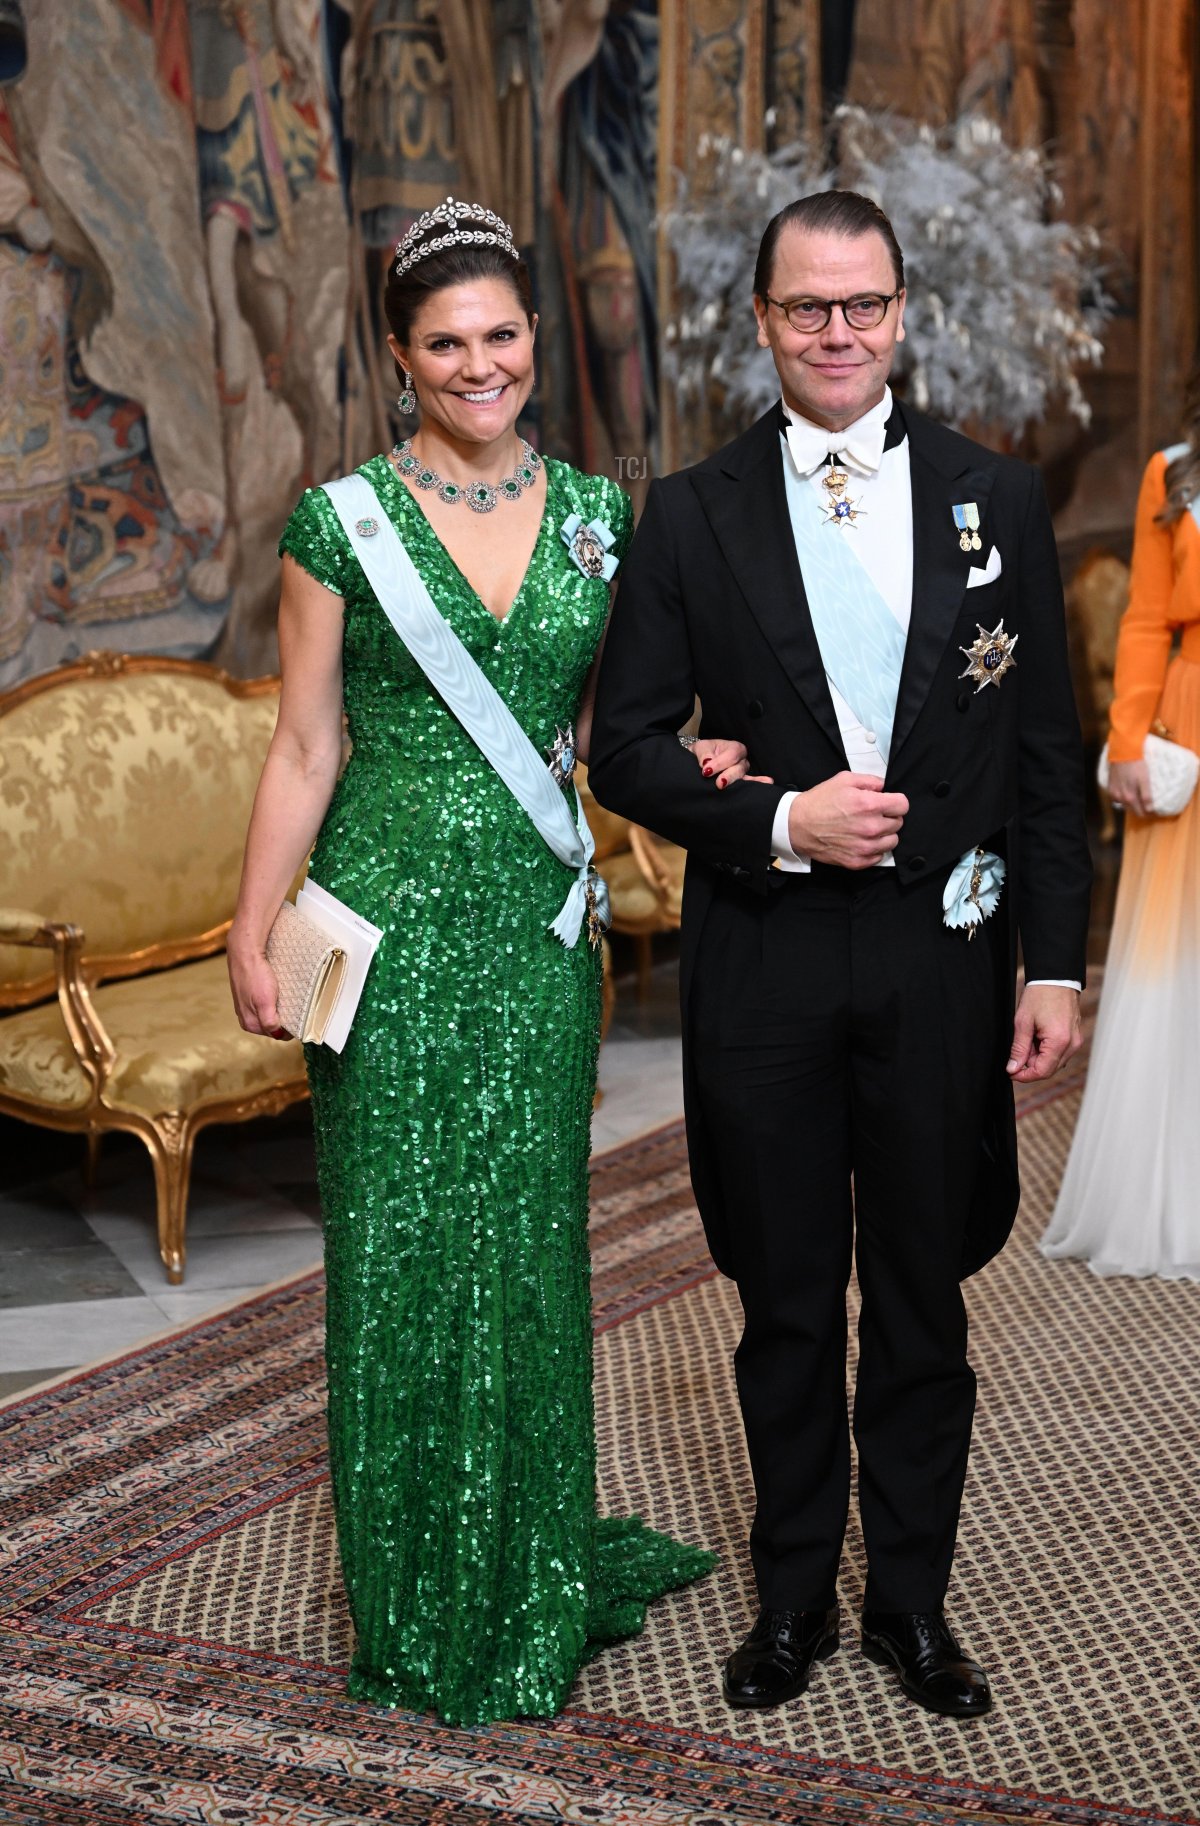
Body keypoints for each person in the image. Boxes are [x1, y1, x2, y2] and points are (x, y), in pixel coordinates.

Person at [227, 198, 740, 1726]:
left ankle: (523, 1567)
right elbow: (306, 741)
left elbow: (611, 728)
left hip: (532, 933)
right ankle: (413, 1586)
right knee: (394, 1246)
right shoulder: (340, 520)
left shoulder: (601, 512)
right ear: (401, 357)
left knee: (523, 1245)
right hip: (381, 929)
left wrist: (693, 755)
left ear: (535, 340)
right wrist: (254, 929)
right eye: (444, 342)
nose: (479, 364)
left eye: (501, 335)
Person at [588, 190, 1092, 1720]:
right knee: (788, 1293)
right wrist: (783, 815)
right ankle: (794, 1597)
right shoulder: (689, 508)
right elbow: (624, 748)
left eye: (864, 305)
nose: (838, 333)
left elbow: (1046, 757)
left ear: (900, 310)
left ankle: (912, 1607)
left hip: (945, 960)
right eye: (808, 308)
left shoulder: (995, 497)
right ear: (762, 320)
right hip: (770, 957)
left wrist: (1055, 964)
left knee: (925, 1301)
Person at [1041, 379, 1200, 1278]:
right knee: (1176, 960)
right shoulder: (1170, 476)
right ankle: (1171, 1195)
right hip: (1189, 725)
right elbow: (1144, 619)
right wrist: (1128, 737)